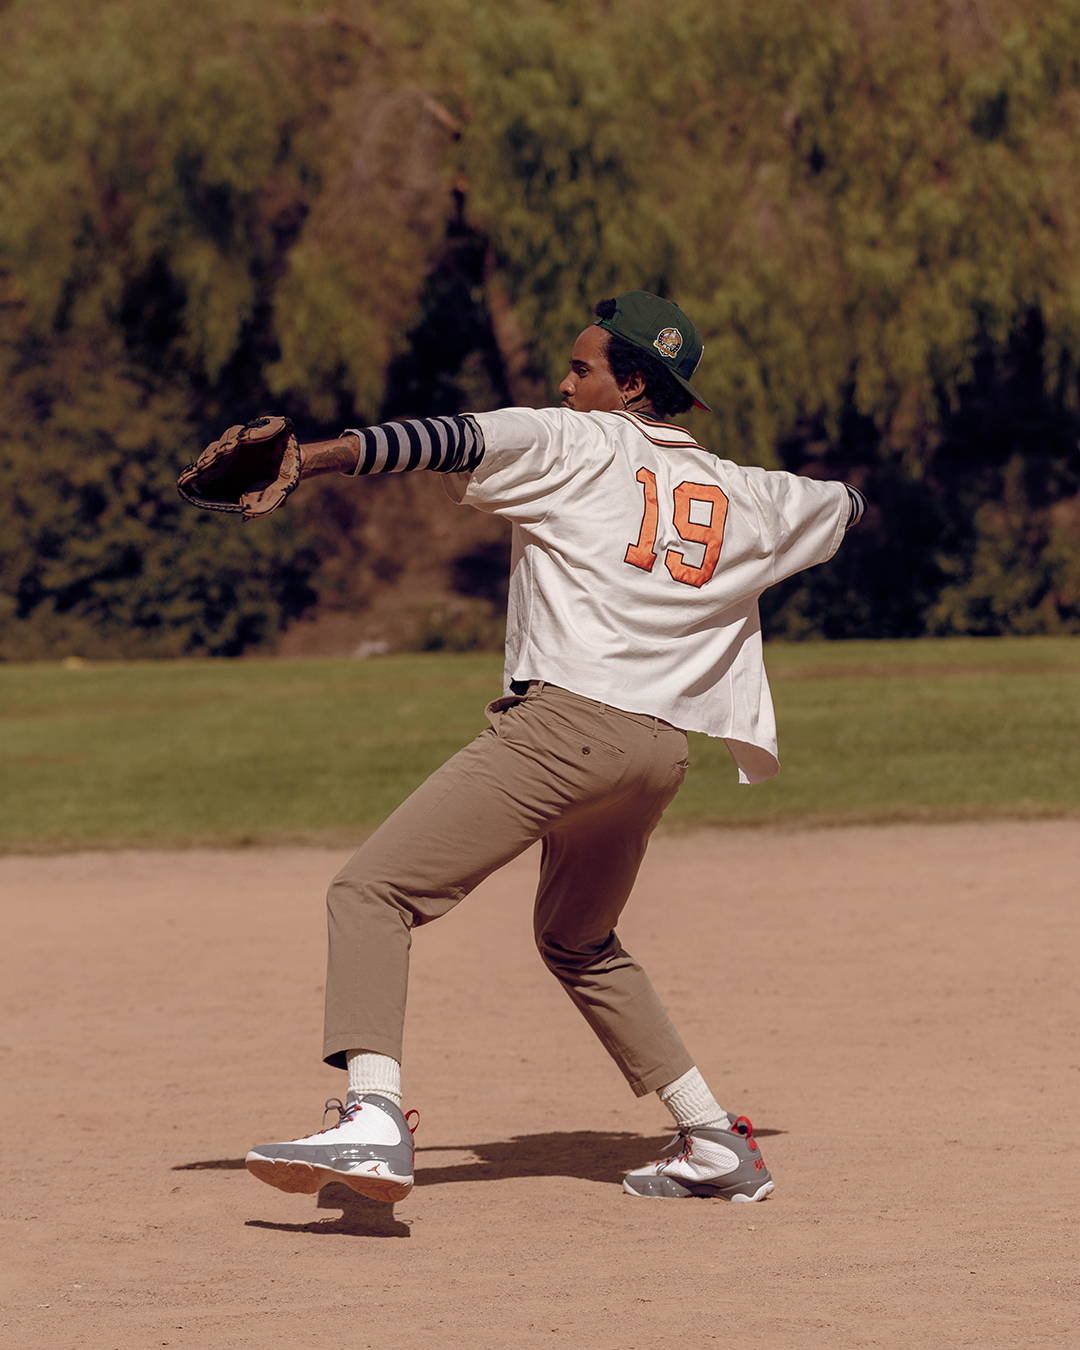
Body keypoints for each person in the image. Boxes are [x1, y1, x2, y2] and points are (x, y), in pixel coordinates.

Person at [243, 290, 865, 1203]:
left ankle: (372, 1117)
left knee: (371, 892)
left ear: (634, 384)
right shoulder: (751, 493)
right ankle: (711, 1139)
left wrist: (315, 457)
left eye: (583, 369)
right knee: (579, 941)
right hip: (657, 754)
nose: (566, 384)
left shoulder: (577, 440)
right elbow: (846, 505)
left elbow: (444, 438)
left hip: (568, 728)